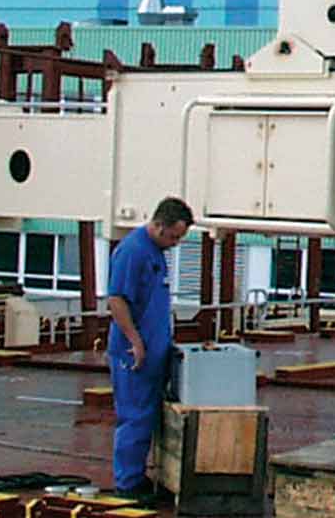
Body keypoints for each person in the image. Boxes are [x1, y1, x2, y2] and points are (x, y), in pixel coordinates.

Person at [107, 196, 193, 500]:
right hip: (135, 353)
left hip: (154, 350)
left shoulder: (155, 252)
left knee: (148, 415)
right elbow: (116, 299)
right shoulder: (134, 252)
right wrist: (135, 341)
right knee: (134, 415)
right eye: (173, 236)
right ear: (158, 225)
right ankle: (127, 484)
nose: (175, 243)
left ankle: (138, 476)